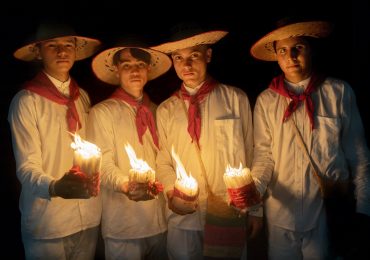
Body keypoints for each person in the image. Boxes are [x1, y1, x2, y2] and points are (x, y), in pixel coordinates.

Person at [249, 18, 370, 259]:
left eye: (298, 47)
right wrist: (252, 194)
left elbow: (359, 157)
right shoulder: (266, 100)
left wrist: (363, 209)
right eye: (283, 50)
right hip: (281, 215)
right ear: (276, 56)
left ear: (310, 49)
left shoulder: (339, 92)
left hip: (327, 214)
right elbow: (264, 156)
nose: (291, 56)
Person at [153, 24, 255, 259]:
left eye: (194, 56)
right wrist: (171, 194)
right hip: (184, 215)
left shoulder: (235, 99)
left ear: (208, 55)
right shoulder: (167, 109)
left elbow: (251, 154)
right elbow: (163, 161)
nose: (186, 65)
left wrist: (256, 209)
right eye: (179, 58)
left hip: (229, 209)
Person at [7, 22, 102, 259]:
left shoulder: (83, 98)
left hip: (88, 218)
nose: (62, 52)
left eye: (68, 45)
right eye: (53, 46)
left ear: (75, 51)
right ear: (38, 52)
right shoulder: (27, 101)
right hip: (48, 223)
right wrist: (55, 186)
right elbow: (27, 167)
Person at [86, 40, 172, 259]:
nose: (134, 70)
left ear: (148, 69)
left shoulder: (158, 111)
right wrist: (125, 184)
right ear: (117, 71)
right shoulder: (102, 112)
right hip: (123, 225)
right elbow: (101, 164)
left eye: (140, 64)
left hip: (160, 221)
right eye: (126, 65)